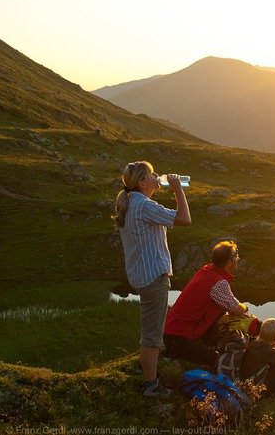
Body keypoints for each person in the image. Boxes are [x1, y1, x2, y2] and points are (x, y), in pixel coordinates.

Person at [113, 161, 191, 398]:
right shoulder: (144, 205)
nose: (157, 176)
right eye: (152, 174)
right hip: (152, 277)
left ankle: (149, 374)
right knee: (152, 335)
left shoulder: (131, 201)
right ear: (142, 182)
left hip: (142, 274)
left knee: (152, 330)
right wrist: (177, 188)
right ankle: (151, 386)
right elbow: (184, 219)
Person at [163, 240, 249, 366]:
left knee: (221, 312)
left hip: (172, 334)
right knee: (218, 361)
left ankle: (197, 346)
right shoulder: (219, 283)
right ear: (228, 262)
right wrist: (245, 307)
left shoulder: (206, 270)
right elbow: (237, 308)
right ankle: (178, 354)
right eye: (236, 256)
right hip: (181, 339)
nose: (238, 258)